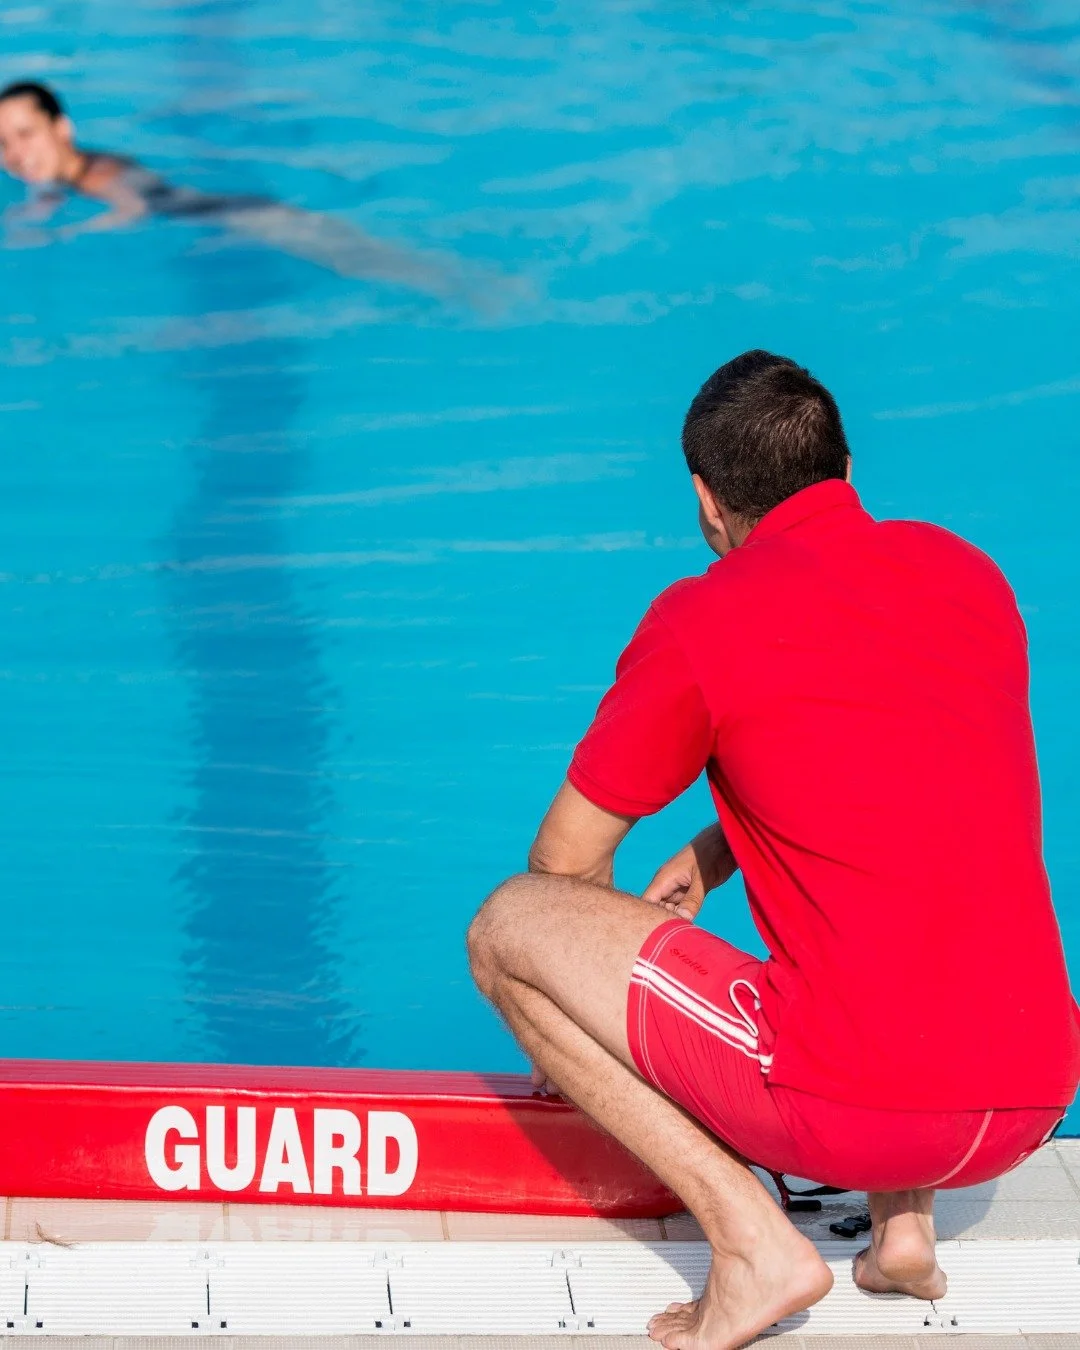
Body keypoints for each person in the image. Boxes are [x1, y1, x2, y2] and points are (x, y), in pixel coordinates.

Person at [468, 350, 1080, 1349]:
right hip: (1034, 1089)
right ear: (847, 469)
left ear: (707, 502)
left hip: (860, 1108)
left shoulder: (705, 619)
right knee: (911, 910)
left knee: (507, 927)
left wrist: (581, 1006)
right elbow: (901, 792)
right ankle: (905, 1234)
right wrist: (719, 852)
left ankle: (751, 1243)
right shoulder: (968, 577)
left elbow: (563, 864)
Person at [0, 81, 473, 299]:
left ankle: (481, 291)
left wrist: (70, 236)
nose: (16, 152)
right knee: (370, 261)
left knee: (371, 262)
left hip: (244, 217)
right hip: (230, 217)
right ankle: (476, 287)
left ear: (62, 129)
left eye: (26, 134)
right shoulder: (67, 176)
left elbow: (131, 207)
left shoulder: (98, 175)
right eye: (2, 143)